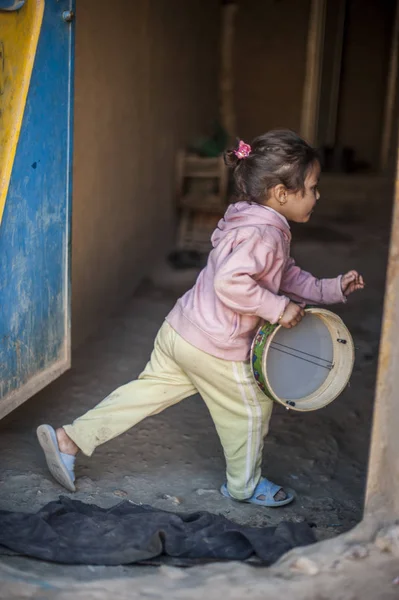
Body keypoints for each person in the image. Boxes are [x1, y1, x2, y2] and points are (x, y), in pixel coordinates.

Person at [37, 130, 364, 507]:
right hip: (216, 347)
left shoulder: (250, 220)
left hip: (181, 331)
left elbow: (284, 275)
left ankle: (69, 440)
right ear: (281, 194)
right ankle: (244, 486)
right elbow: (230, 282)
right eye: (311, 187)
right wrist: (278, 308)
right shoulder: (264, 234)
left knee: (144, 394)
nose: (317, 195)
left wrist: (331, 289)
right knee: (251, 408)